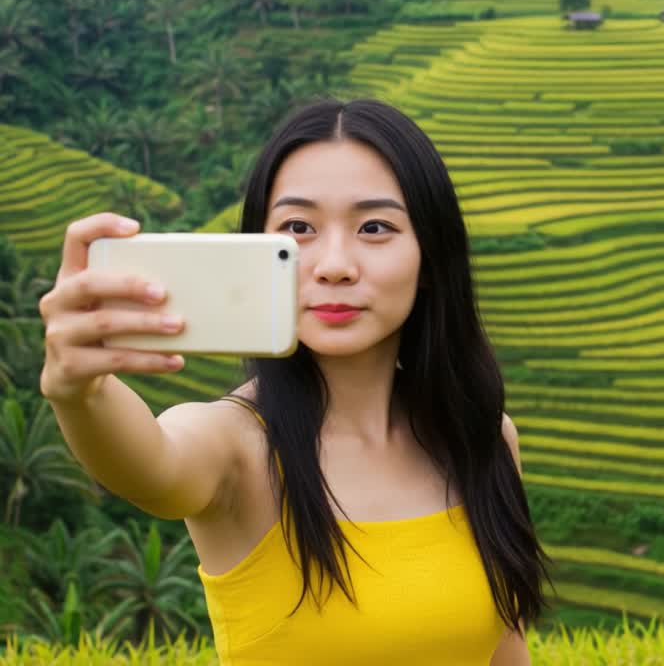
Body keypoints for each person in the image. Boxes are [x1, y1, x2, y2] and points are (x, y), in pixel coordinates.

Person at [38, 98, 553, 665]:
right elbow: (152, 465)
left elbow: (507, 650)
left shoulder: (483, 439)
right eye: (298, 228)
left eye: (375, 227)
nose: (334, 264)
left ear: (429, 257)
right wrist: (80, 391)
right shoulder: (235, 446)